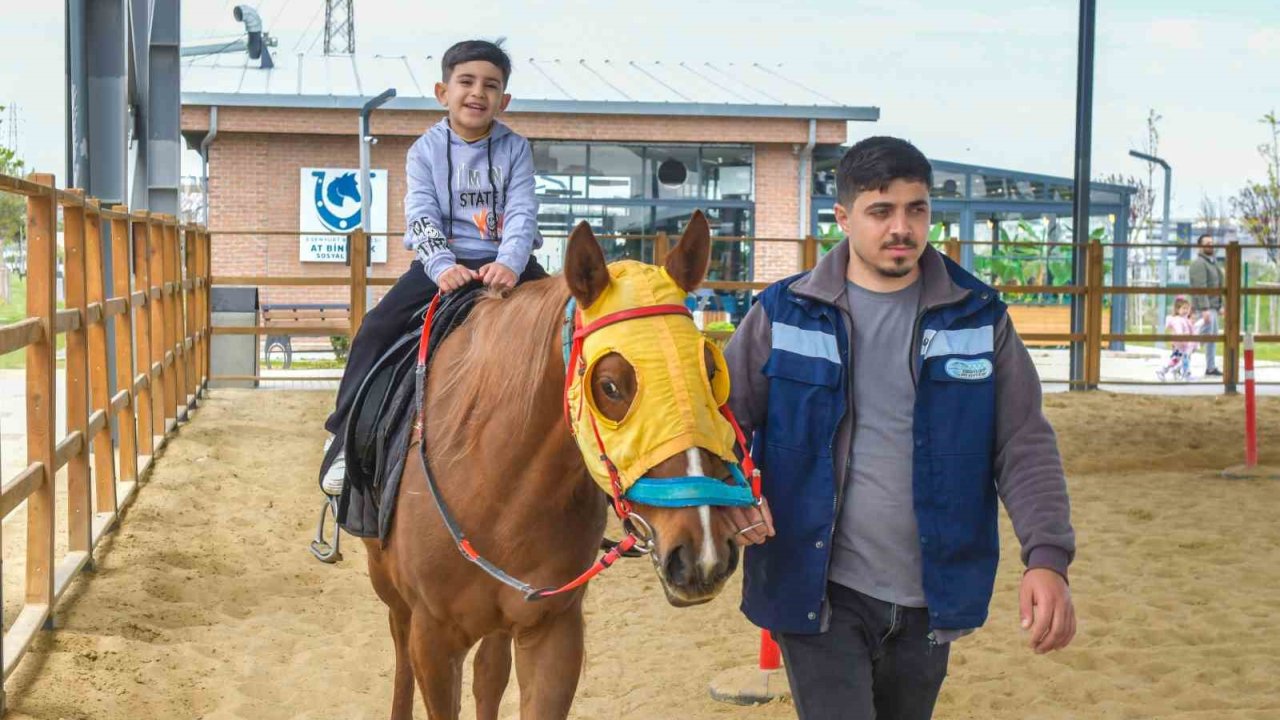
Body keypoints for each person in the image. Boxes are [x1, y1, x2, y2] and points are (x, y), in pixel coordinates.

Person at [722, 136, 1076, 720]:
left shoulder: (978, 316)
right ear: (843, 217)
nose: (902, 228)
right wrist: (738, 491)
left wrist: (1046, 558)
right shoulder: (783, 312)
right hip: (816, 591)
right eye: (881, 211)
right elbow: (722, 420)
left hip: (932, 595)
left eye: (917, 209)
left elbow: (1023, 441)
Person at [320, 39, 547, 494]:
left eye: (490, 85)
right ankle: (345, 439)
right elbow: (420, 212)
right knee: (375, 330)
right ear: (443, 92)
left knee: (573, 323)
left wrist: (509, 261)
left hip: (509, 263)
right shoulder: (423, 150)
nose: (477, 93)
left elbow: (523, 209)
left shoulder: (516, 149)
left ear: (504, 100)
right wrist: (442, 264)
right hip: (442, 264)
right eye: (466, 82)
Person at [1188, 233, 1223, 377]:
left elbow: (1218, 285)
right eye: (1207, 243)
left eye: (1212, 243)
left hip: (1213, 307)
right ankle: (1179, 359)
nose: (1210, 246)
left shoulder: (1212, 263)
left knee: (1211, 339)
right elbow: (1200, 287)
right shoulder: (1199, 264)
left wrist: (1220, 305)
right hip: (1205, 309)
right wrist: (1204, 309)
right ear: (1200, 246)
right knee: (1200, 338)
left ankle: (1210, 367)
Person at [1158, 297, 1203, 382]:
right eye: (1184, 308)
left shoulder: (1184, 319)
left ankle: (1165, 371)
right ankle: (1183, 374)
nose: (1186, 310)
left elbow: (1192, 329)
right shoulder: (1177, 320)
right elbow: (1179, 332)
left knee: (1177, 360)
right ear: (1177, 309)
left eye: (1187, 308)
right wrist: (1184, 335)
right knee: (1181, 359)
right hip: (1180, 344)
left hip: (1183, 344)